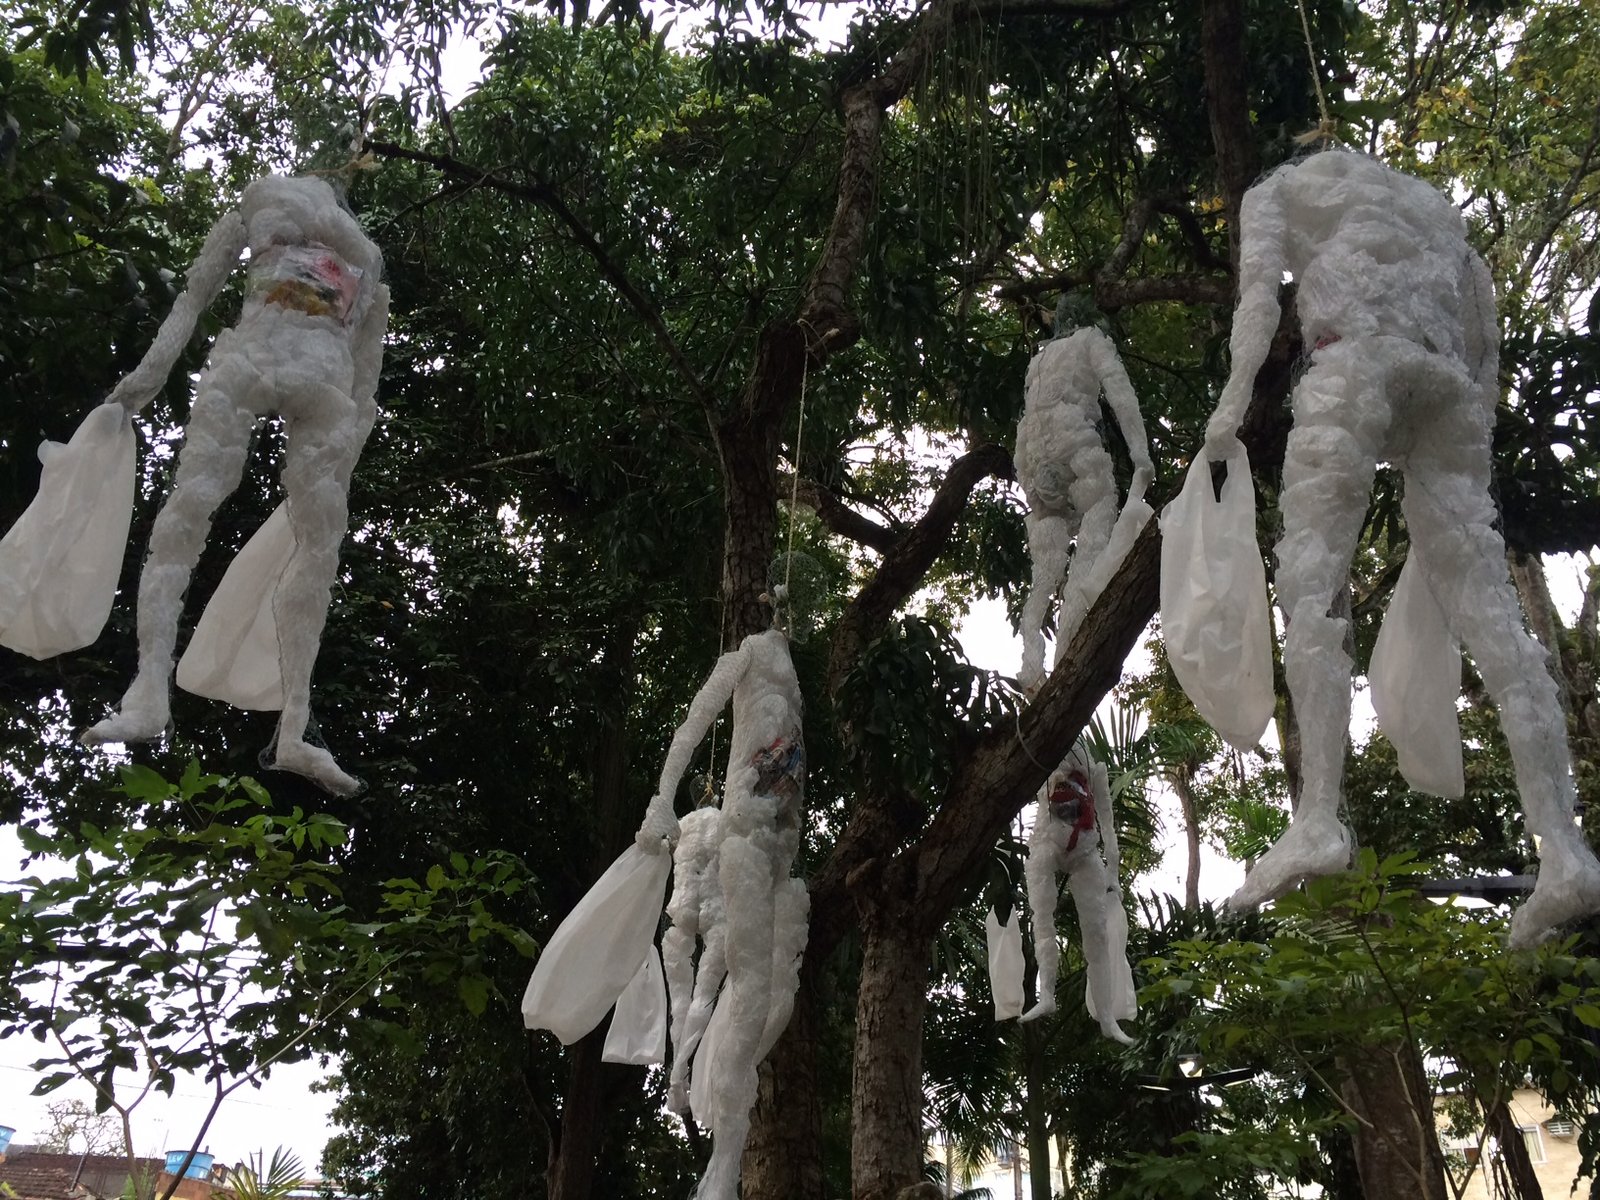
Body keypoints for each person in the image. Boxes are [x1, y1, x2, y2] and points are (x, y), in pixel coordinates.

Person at [1203, 148, 1600, 945]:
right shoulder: (1434, 208)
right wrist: (1471, 443)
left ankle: (1318, 816)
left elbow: (1257, 302)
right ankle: (1565, 849)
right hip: (1444, 379)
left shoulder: (1275, 187)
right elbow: (1482, 324)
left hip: (1353, 361)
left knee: (1312, 585)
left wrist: (1231, 404)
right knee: (1493, 615)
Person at [80, 174, 388, 796]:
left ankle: (296, 727)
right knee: (185, 515)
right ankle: (148, 690)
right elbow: (195, 295)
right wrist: (142, 381)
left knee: (317, 555)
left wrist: (354, 436)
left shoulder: (367, 256)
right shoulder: (264, 201)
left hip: (324, 384)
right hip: (255, 361)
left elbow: (368, 354)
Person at [635, 625, 810, 1200]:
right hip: (746, 842)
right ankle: (723, 1164)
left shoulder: (796, 685)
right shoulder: (750, 655)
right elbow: (696, 718)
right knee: (748, 990)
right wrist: (664, 796)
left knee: (771, 996)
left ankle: (703, 1094)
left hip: (783, 855)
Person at [1015, 312, 1153, 694]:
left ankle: (1029, 667)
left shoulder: (1037, 360)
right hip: (1076, 446)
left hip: (1033, 459)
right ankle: (1065, 661)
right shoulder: (1090, 339)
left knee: (1043, 574)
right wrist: (1141, 455)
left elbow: (1025, 416)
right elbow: (1119, 391)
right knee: (1095, 528)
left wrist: (1024, 474)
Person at [1020, 746, 1136, 1042]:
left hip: (1085, 849)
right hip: (1047, 842)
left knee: (1096, 933)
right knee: (1043, 916)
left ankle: (1107, 1017)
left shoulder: (1094, 771)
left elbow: (1107, 820)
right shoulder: (1044, 761)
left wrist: (1113, 868)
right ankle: (1046, 994)